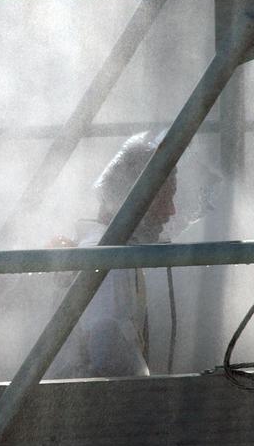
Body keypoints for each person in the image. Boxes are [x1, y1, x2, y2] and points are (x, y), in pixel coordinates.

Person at [49, 132, 177, 379]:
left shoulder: (108, 254)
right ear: (130, 199)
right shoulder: (109, 264)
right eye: (165, 197)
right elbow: (109, 358)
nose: (171, 211)